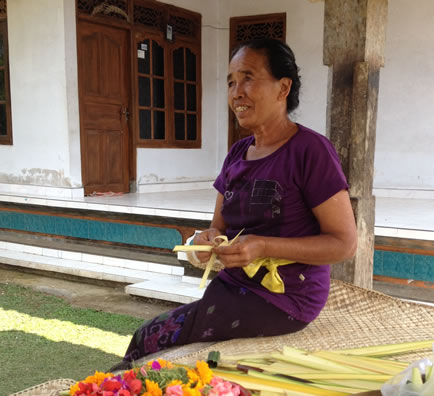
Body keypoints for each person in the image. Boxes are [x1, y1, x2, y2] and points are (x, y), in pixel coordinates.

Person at [116, 38, 357, 368]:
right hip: (233, 287)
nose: (236, 92)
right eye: (231, 82)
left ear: (282, 87)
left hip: (286, 298)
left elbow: (344, 244)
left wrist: (262, 246)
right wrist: (204, 243)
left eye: (247, 78)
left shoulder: (310, 151)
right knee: (151, 341)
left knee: (150, 338)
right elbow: (219, 227)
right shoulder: (237, 153)